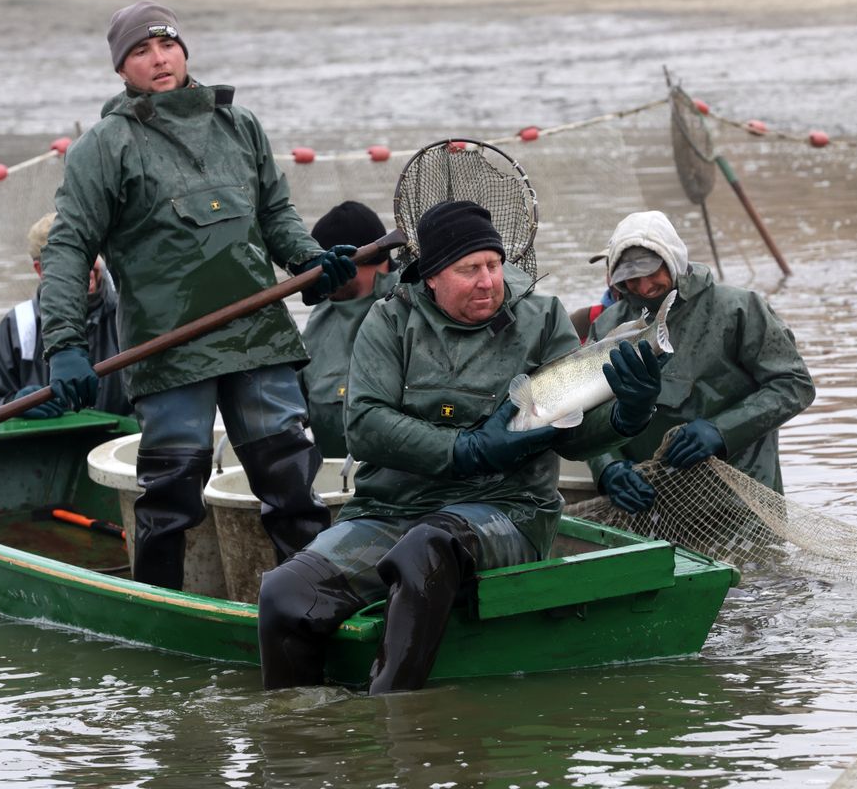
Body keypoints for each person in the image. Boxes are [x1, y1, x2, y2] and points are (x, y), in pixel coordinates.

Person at [257, 200, 665, 694]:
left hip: (508, 511)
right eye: (469, 269)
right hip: (390, 510)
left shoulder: (541, 318)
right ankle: (298, 733)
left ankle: (391, 718)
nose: (488, 281)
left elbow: (574, 436)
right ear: (431, 276)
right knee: (283, 593)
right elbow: (365, 424)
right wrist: (464, 449)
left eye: (493, 265)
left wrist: (628, 413)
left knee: (426, 549)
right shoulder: (388, 322)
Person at [37, 1, 360, 590]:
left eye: (166, 45)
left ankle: (319, 600)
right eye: (140, 51)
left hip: (257, 337)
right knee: (170, 496)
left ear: (184, 51)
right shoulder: (104, 148)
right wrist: (65, 343)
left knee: (292, 485)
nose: (158, 59)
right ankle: (163, 619)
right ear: (121, 69)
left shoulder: (241, 126)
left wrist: (311, 260)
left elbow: (276, 216)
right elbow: (68, 250)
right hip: (169, 350)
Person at [585, 210, 815, 514]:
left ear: (674, 260)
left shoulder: (738, 309)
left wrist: (721, 431)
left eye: (653, 272)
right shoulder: (607, 328)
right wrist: (608, 469)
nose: (643, 287)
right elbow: (588, 413)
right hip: (649, 509)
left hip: (741, 506)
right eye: (631, 279)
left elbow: (794, 385)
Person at [0, 212, 130, 422]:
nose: (84, 267)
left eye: (90, 253)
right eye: (67, 262)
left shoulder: (129, 312)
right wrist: (13, 405)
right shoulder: (18, 326)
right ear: (40, 270)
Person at [298, 201, 399, 458]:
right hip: (335, 483)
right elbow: (286, 409)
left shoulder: (415, 308)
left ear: (350, 263)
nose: (318, 279)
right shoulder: (320, 317)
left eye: (323, 267)